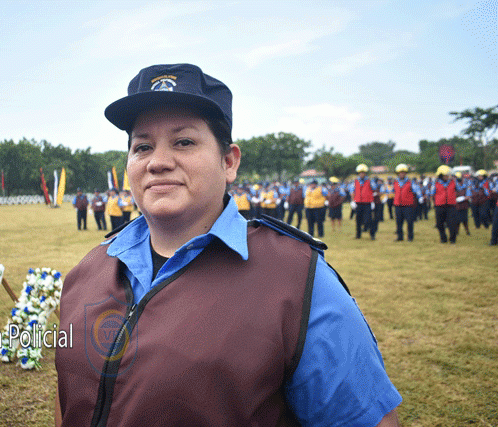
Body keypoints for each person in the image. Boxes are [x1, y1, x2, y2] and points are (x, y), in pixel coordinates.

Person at [55, 63, 401, 427]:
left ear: (229, 161)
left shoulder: (298, 281)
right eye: (142, 146)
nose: (158, 162)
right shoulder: (88, 271)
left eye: (184, 142)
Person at [392, 164, 421, 242]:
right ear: (398, 173)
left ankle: (410, 237)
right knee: (399, 222)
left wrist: (420, 197)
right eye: (400, 173)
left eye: (403, 172)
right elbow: (393, 191)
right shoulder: (395, 182)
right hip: (398, 205)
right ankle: (400, 237)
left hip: (408, 205)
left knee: (409, 222)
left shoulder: (410, 182)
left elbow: (416, 190)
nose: (402, 174)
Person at [431, 165, 458, 244]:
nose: (447, 176)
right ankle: (443, 238)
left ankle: (452, 239)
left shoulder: (453, 182)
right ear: (441, 175)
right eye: (446, 175)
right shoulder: (435, 184)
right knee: (439, 223)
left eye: (448, 175)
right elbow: (432, 193)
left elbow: (459, 189)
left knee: (452, 223)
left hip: (451, 206)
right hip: (440, 206)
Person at [351, 164, 378, 240]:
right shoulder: (355, 181)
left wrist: (372, 199)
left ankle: (372, 235)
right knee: (358, 220)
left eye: (363, 173)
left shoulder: (370, 181)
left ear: (365, 173)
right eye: (360, 173)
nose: (361, 174)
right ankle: (358, 235)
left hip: (367, 203)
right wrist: (353, 201)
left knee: (369, 219)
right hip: (358, 203)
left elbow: (375, 188)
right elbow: (352, 191)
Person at [454, 172, 471, 237]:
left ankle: (467, 231)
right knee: (457, 220)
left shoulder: (465, 187)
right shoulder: (455, 187)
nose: (460, 182)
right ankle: (457, 232)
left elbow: (468, 196)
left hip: (464, 205)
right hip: (457, 205)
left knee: (465, 220)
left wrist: (463, 198)